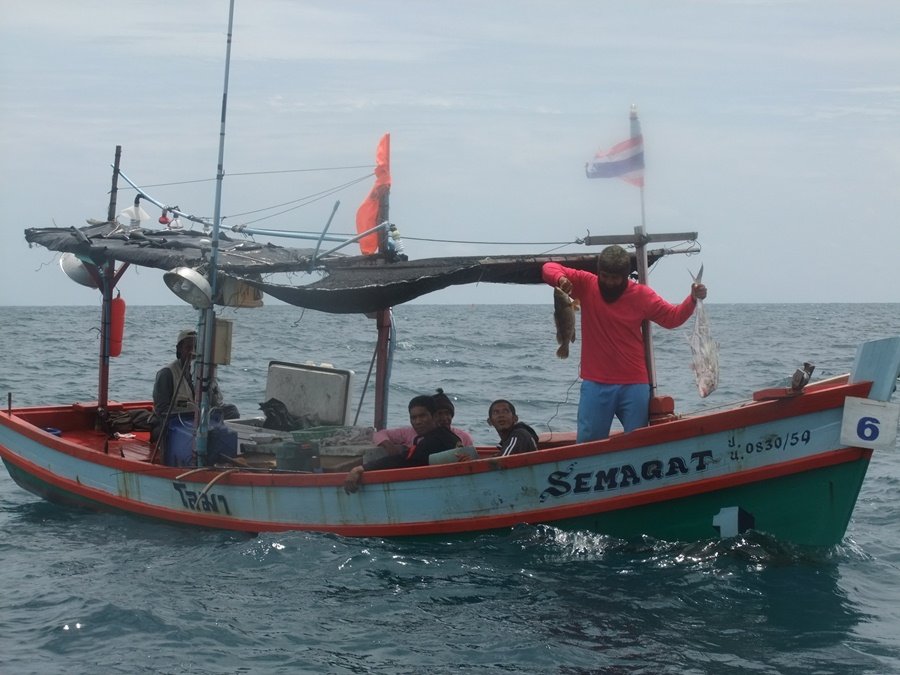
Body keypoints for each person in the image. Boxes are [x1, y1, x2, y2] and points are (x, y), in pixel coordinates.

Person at [542, 245, 707, 442]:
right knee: (588, 443)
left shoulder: (642, 295)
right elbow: (548, 267)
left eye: (615, 278)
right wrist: (560, 279)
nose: (609, 282)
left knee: (638, 442)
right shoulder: (587, 284)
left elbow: (672, 318)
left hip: (634, 383)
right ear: (599, 272)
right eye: (605, 276)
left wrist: (692, 299)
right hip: (595, 383)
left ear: (625, 276)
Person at [344, 395, 462, 493]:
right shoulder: (448, 436)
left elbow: (402, 460)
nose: (418, 422)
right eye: (413, 418)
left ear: (435, 416)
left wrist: (361, 468)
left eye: (422, 416)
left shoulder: (434, 441)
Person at [371, 387, 474, 457]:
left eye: (447, 413)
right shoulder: (410, 433)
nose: (443, 418)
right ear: (434, 416)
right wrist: (389, 446)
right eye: (440, 414)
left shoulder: (462, 437)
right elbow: (379, 434)